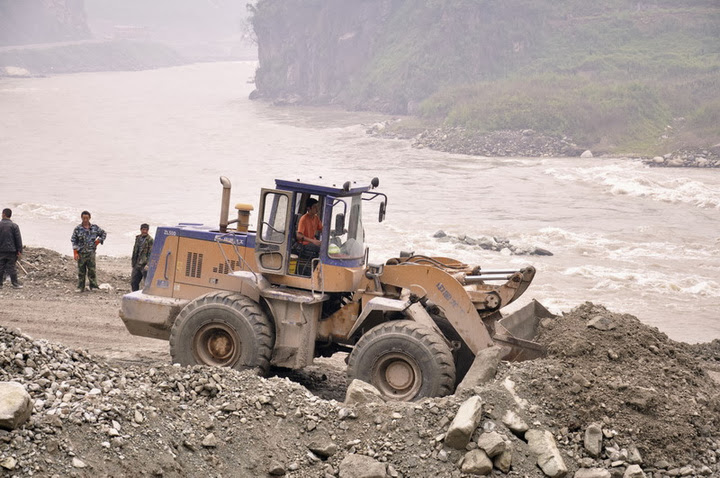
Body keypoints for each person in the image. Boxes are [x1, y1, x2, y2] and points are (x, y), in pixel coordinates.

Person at [71, 210, 106, 292]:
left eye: (87, 218)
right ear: (81, 218)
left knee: (92, 270)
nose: (85, 220)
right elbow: (74, 240)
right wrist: (75, 252)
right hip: (81, 253)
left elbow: (103, 233)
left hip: (91, 253)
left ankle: (93, 286)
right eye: (84, 218)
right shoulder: (78, 229)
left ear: (89, 218)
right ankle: (80, 287)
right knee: (81, 271)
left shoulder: (95, 228)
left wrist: (98, 241)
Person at [0, 208, 23, 289]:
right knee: (12, 267)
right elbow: (18, 239)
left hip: (1, 250)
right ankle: (15, 284)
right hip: (11, 250)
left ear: (3, 214)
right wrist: (19, 251)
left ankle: (0, 284)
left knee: (0, 267)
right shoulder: (14, 226)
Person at [131, 223, 153, 291]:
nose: (145, 231)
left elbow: (151, 253)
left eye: (146, 230)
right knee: (134, 282)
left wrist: (148, 264)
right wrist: (133, 262)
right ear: (141, 230)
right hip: (137, 263)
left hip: (144, 264)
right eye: (143, 230)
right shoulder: (138, 238)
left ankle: (146, 295)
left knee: (147, 282)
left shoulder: (150, 240)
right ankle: (134, 294)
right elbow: (135, 251)